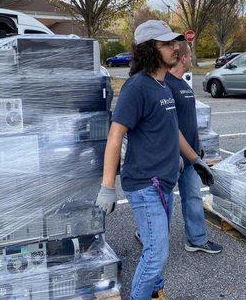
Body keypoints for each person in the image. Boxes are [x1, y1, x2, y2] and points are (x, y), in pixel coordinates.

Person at [94, 20, 213, 300]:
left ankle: (155, 292)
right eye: (167, 44)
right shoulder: (137, 88)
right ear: (149, 49)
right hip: (146, 184)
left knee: (156, 249)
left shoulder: (163, 86)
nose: (175, 47)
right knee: (156, 253)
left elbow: (174, 130)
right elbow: (115, 135)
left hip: (164, 181)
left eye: (175, 42)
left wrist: (196, 160)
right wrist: (108, 186)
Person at [163, 41, 223, 254]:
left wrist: (198, 148)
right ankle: (148, 235)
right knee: (163, 202)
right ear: (183, 58)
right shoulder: (166, 84)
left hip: (192, 156)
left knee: (193, 197)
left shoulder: (184, 84)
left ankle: (196, 240)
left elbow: (190, 120)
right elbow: (167, 125)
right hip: (172, 157)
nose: (191, 59)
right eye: (190, 56)